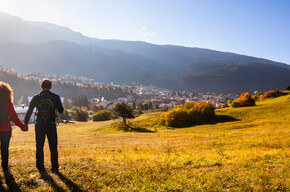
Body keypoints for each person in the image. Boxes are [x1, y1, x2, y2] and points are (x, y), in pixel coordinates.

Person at [25, 79, 63, 173]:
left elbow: (29, 111)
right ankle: (54, 167)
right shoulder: (55, 97)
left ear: (41, 86)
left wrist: (25, 123)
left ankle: (40, 167)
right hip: (51, 124)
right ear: (50, 87)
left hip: (39, 124)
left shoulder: (36, 97)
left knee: (39, 146)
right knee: (53, 147)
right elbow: (61, 110)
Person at [0, 82, 28, 171]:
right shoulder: (7, 103)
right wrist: (22, 126)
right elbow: (13, 117)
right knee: (5, 148)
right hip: (6, 129)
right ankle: (4, 167)